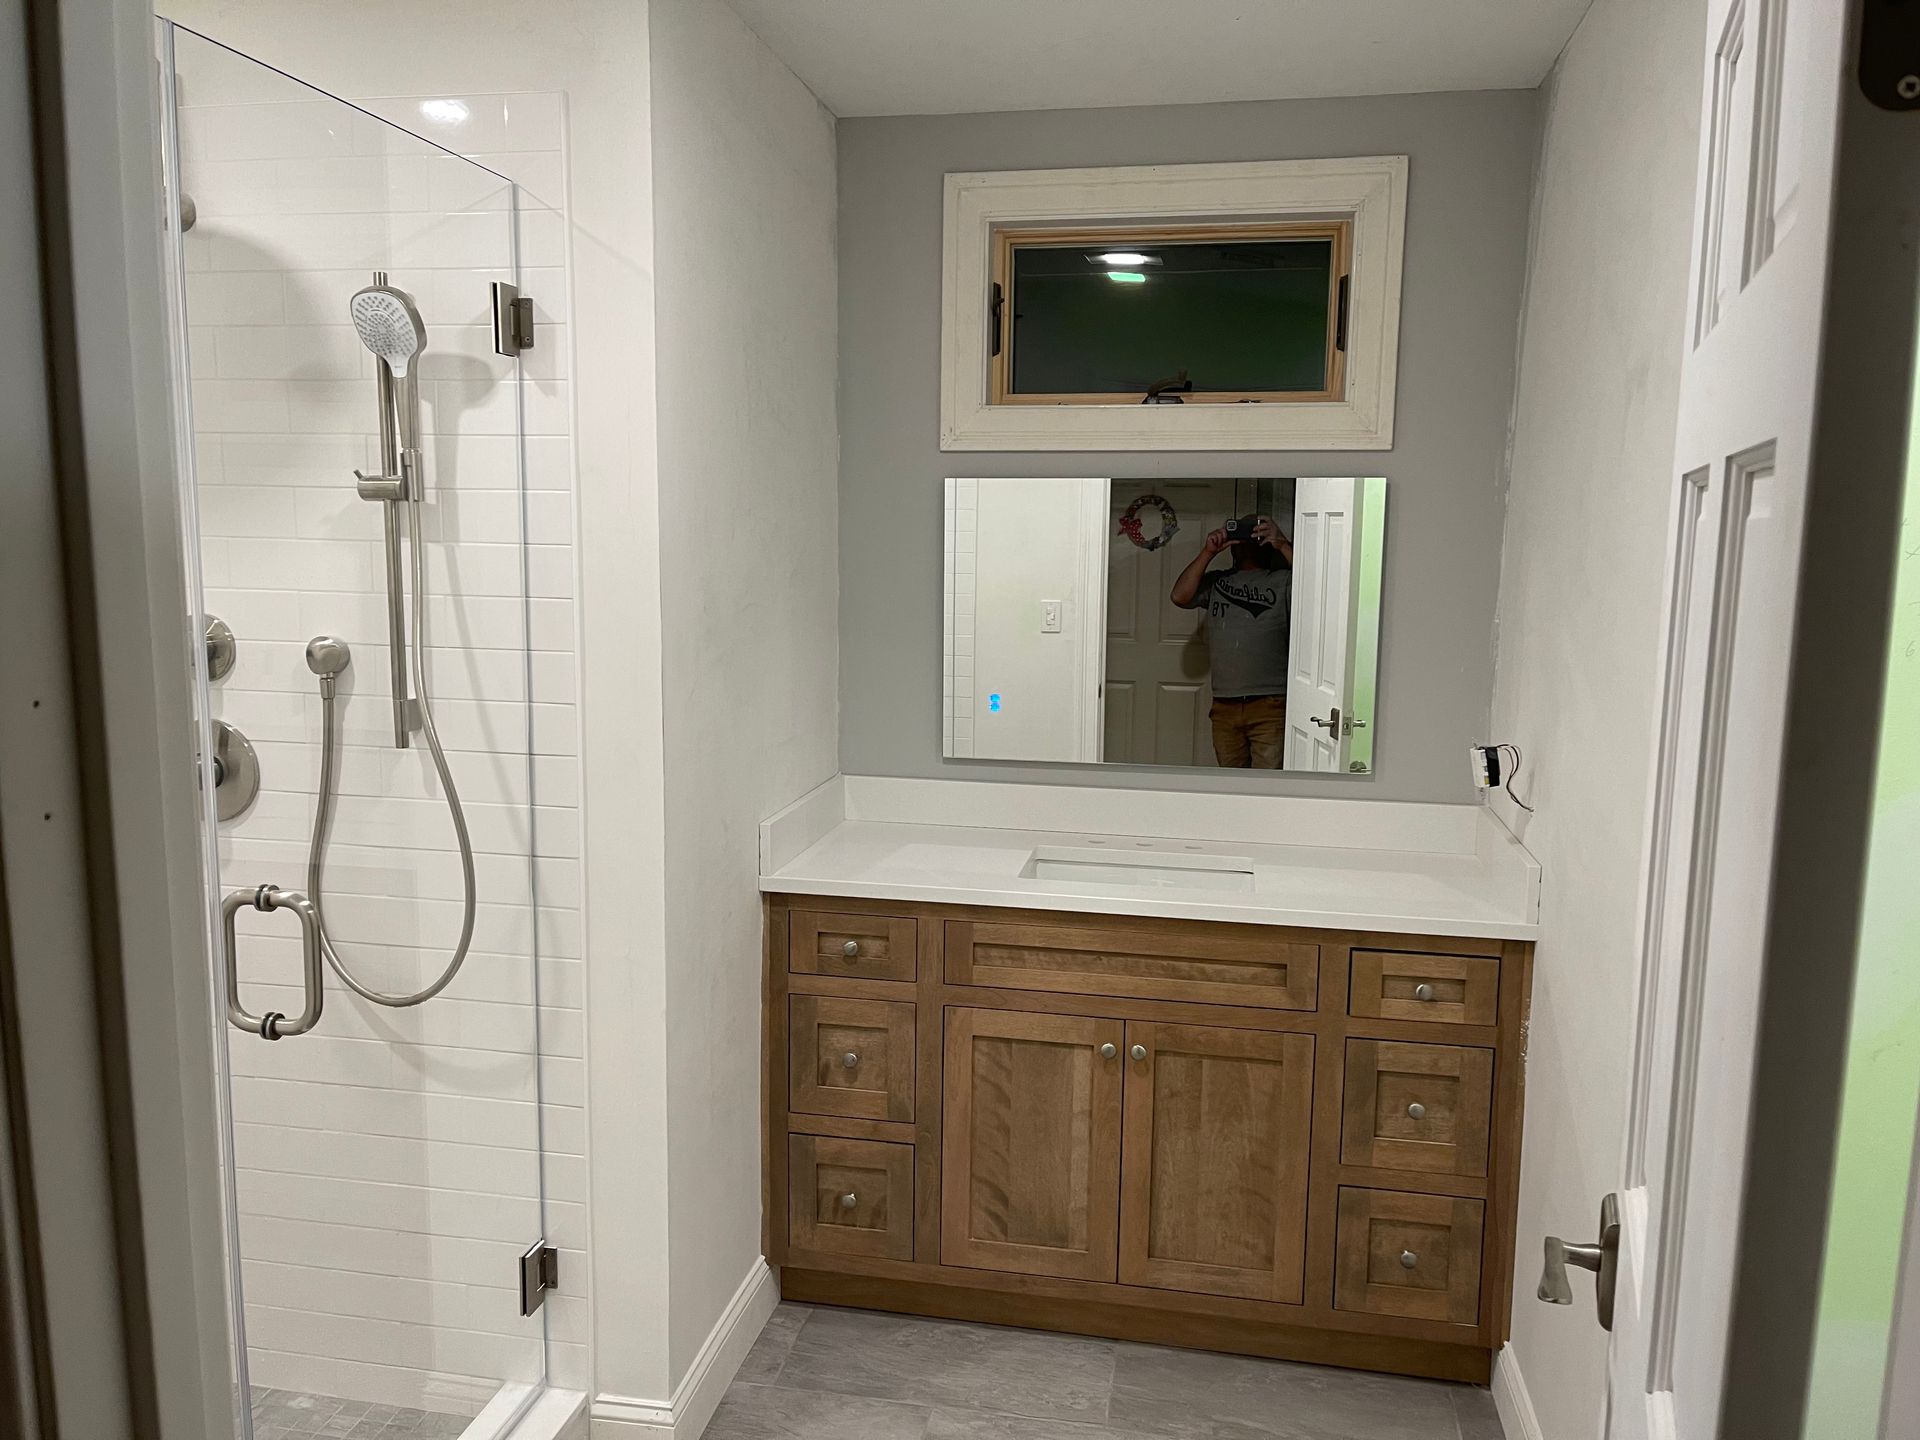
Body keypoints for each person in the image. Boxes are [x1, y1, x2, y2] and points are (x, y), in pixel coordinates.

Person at [1169, 514, 1294, 768]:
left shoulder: (1284, 581)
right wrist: (1208, 552)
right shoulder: (1218, 582)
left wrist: (1282, 544)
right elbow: (1179, 596)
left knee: (1268, 785)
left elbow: (1318, 589)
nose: (1248, 541)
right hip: (1224, 706)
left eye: (1255, 533)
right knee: (1231, 782)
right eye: (1243, 534)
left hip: (1270, 704)